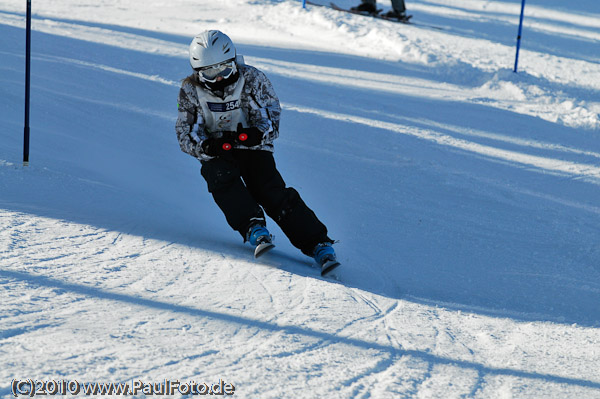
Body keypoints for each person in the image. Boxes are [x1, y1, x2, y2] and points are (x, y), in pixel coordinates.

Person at [175, 30, 340, 275]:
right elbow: (186, 131)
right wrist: (206, 146)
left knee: (269, 188)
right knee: (221, 178)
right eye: (210, 73)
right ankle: (252, 226)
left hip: (252, 145)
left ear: (234, 61)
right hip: (217, 151)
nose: (219, 78)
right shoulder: (190, 90)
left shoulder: (252, 79)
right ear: (198, 72)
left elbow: (272, 115)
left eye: (224, 70)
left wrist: (257, 133)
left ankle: (318, 243)